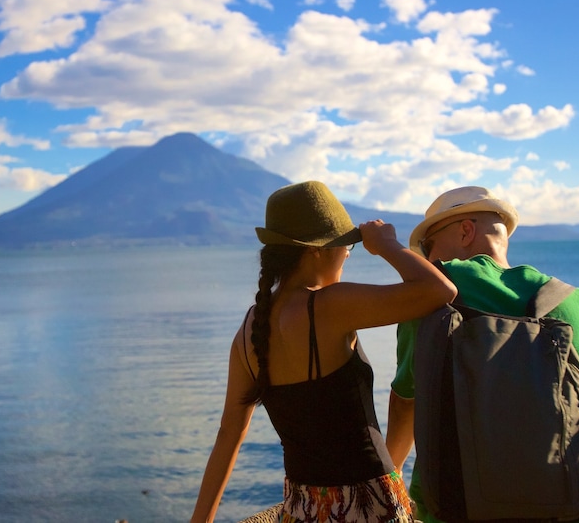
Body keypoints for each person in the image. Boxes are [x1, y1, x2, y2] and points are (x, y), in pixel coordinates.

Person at [385, 186, 579, 523]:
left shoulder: (429, 303)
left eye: (427, 249)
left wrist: (391, 482)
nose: (429, 262)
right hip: (578, 513)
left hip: (457, 512)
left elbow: (405, 402)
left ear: (466, 231)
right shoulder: (578, 304)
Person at [190, 181, 457, 523]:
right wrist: (386, 245)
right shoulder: (330, 305)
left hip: (303, 508)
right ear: (316, 250)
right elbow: (440, 290)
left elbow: (229, 435)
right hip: (368, 504)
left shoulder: (249, 329)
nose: (347, 253)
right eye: (345, 246)